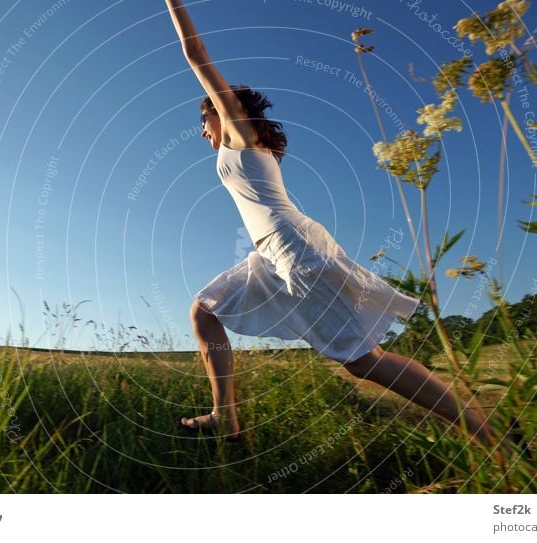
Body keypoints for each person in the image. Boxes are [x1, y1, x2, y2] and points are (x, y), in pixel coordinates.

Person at [165, 0, 517, 459]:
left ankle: (488, 433)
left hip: (292, 249)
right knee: (205, 310)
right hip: (274, 253)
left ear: (225, 110)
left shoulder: (239, 134)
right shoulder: (246, 149)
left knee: (363, 362)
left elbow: (196, 55)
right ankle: (226, 420)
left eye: (203, 116)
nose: (202, 128)